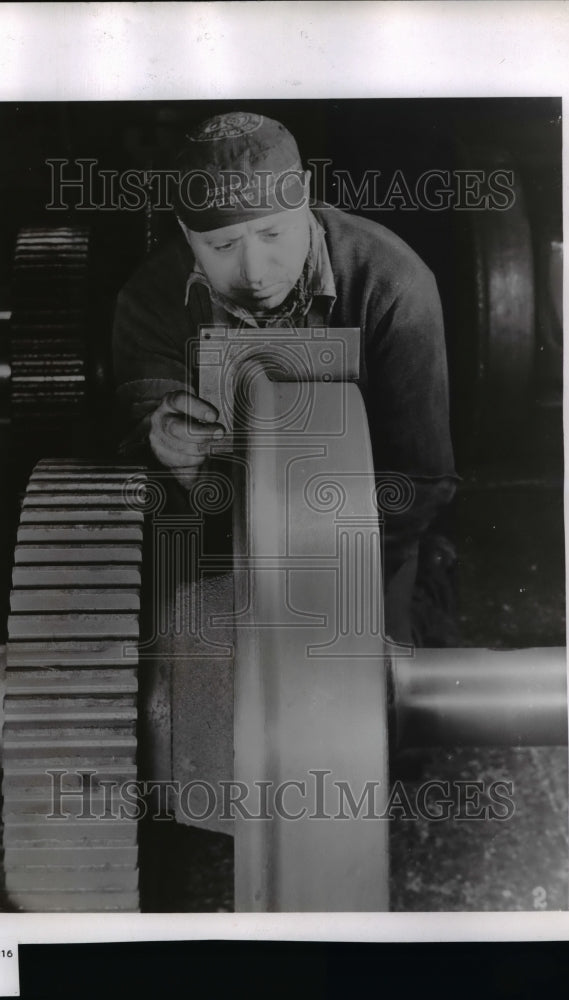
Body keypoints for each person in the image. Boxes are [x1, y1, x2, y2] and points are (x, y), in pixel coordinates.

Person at [111, 111, 458, 645]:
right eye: (223, 247)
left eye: (273, 234)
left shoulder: (392, 285)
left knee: (382, 683)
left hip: (368, 544)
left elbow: (422, 478)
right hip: (218, 548)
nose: (254, 270)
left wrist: (341, 582)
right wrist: (163, 444)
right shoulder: (150, 300)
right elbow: (139, 435)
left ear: (305, 205)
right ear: (187, 233)